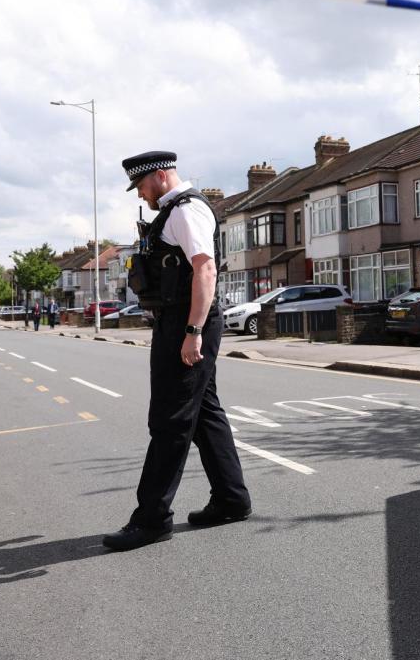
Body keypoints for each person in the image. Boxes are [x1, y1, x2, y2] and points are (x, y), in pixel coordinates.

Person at [102, 150, 252, 551]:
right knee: (204, 413)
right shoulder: (171, 211)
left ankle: (151, 519)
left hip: (186, 324)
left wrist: (193, 330)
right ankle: (231, 499)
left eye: (141, 186)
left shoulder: (186, 212)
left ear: (160, 176)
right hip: (178, 322)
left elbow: (206, 269)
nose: (140, 195)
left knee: (169, 421)